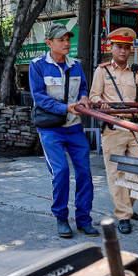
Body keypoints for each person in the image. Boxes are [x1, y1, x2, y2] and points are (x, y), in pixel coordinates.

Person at [29, 24, 98, 238]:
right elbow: (39, 97)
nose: (66, 43)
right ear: (49, 43)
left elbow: (83, 87)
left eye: (68, 39)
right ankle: (61, 218)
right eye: (61, 40)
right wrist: (65, 108)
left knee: (84, 173)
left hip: (74, 127)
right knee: (61, 172)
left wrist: (84, 97)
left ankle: (84, 220)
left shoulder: (75, 65)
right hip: (51, 129)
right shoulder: (38, 65)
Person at [89, 27, 138, 234]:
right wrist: (100, 103)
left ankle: (127, 206)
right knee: (116, 172)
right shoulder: (102, 71)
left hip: (134, 127)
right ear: (111, 48)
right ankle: (123, 214)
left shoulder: (136, 73)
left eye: (126, 47)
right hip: (113, 127)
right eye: (119, 46)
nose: (123, 51)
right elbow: (93, 95)